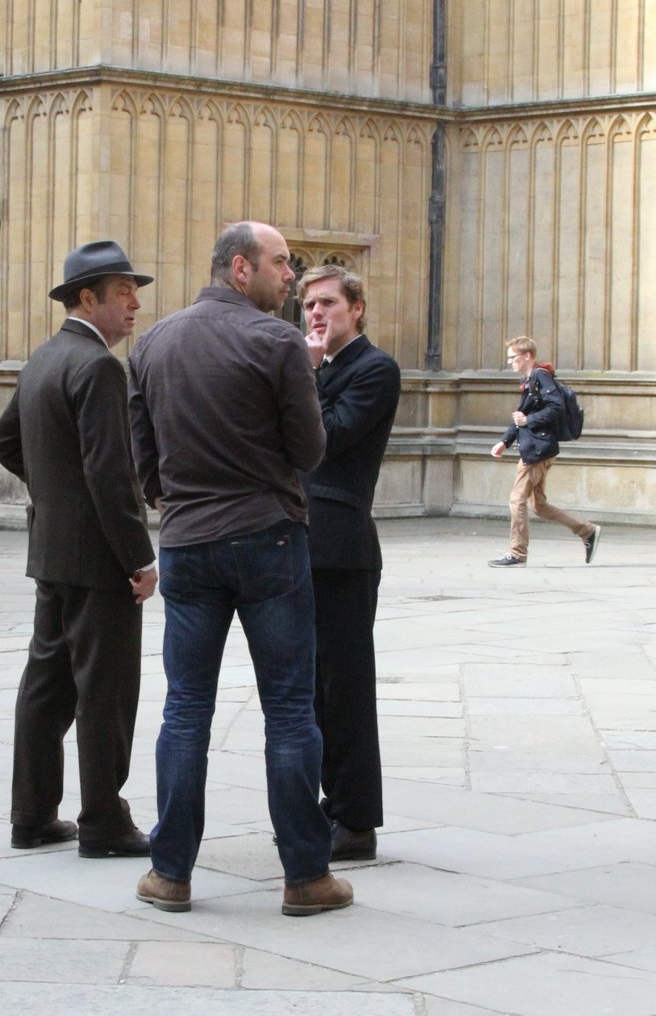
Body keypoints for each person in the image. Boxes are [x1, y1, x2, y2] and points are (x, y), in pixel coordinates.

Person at [127, 221, 352, 917]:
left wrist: (178, 501)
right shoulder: (279, 341)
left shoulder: (154, 342)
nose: (293, 276)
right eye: (283, 264)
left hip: (188, 542)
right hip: (267, 538)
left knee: (185, 709)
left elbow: (143, 459)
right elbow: (309, 450)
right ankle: (306, 878)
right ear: (239, 267)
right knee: (288, 708)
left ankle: (170, 874)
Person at [0, 240, 158, 858]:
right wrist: (139, 559)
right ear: (89, 298)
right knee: (105, 692)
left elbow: (7, 442)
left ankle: (31, 816)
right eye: (123, 292)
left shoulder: (42, 359)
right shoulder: (97, 367)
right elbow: (112, 477)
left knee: (47, 685)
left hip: (52, 554)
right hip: (97, 564)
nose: (135, 304)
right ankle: (104, 824)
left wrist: (53, 496)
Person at [298, 265, 401, 862]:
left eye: (328, 303)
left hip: (341, 545)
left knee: (346, 686)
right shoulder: (322, 368)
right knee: (311, 688)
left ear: (356, 309)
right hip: (301, 541)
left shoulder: (374, 368)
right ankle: (328, 803)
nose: (315, 314)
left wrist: (306, 377)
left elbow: (327, 439)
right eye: (309, 305)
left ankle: (356, 819)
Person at [488, 336, 599, 568]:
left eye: (513, 357)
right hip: (539, 447)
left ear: (527, 356)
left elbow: (555, 407)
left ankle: (517, 554)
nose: (510, 362)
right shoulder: (530, 379)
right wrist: (505, 442)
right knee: (539, 505)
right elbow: (520, 415)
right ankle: (587, 531)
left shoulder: (540, 376)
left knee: (516, 500)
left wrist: (529, 420)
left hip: (537, 450)